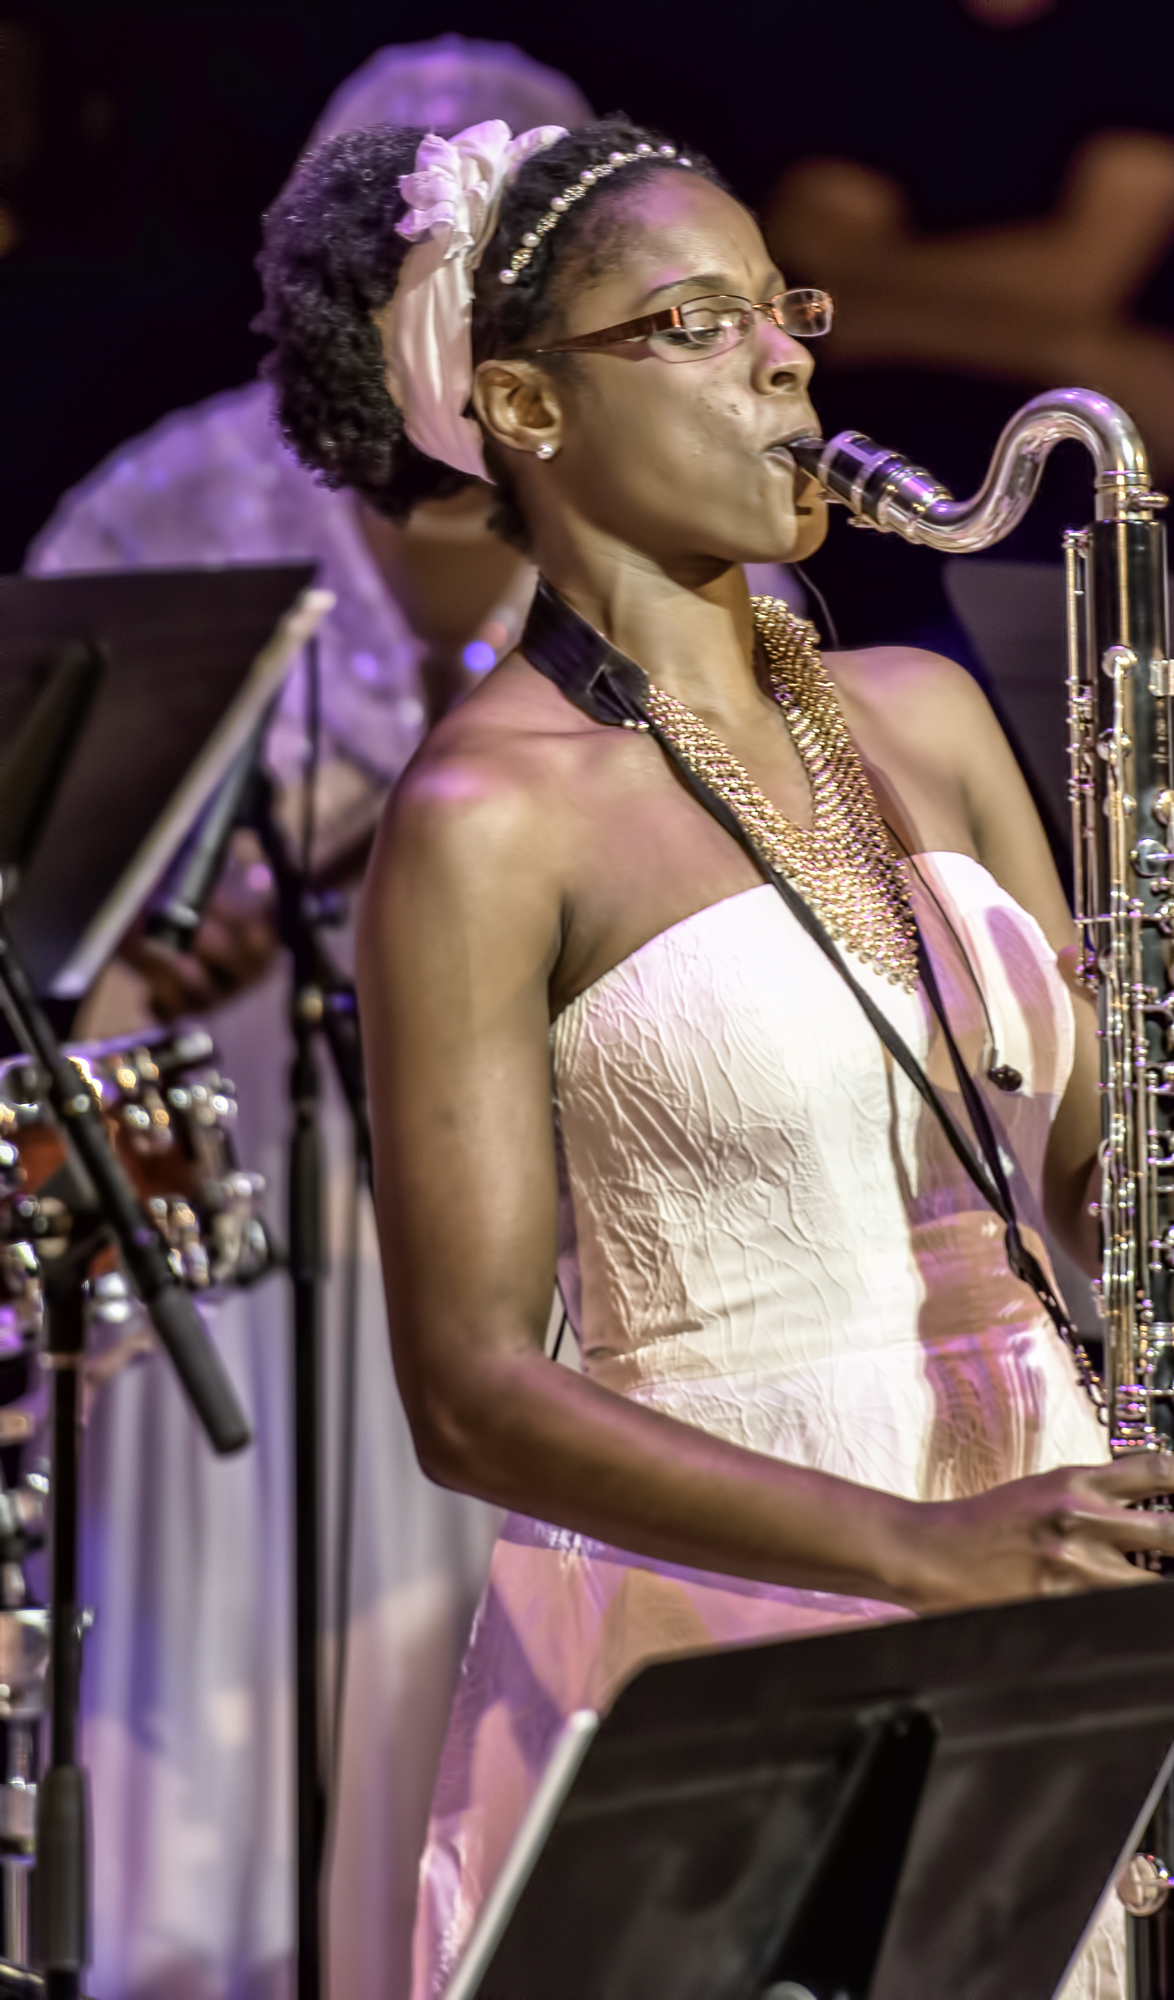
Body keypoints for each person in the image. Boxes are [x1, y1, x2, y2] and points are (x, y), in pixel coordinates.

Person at [252, 109, 1174, 1996]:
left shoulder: (930, 713)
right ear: (527, 410)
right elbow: (468, 1394)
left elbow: (1056, 1193)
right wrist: (920, 1552)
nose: (789, 354)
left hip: (1050, 1547)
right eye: (695, 323)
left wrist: (1164, 1132)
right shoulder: (485, 820)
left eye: (780, 309)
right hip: (734, 1620)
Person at [26, 38, 592, 2000]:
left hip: (508, 1201)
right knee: (226, 1726)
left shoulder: (596, 509)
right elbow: (44, 879)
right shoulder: (171, 502)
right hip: (240, 1215)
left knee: (453, 1728)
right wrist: (124, 950)